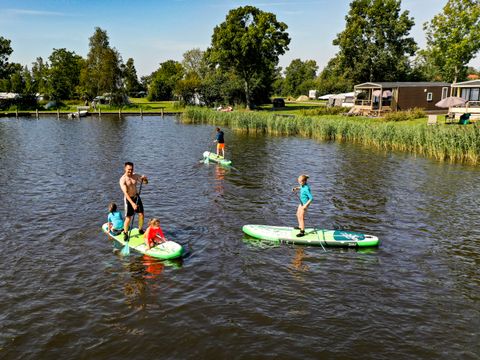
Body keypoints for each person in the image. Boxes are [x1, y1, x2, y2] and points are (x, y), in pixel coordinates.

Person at [119, 162, 148, 241]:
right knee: (128, 218)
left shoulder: (135, 176)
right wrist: (132, 204)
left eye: (131, 169)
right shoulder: (123, 180)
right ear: (125, 169)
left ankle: (140, 229)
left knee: (141, 214)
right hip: (128, 199)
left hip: (136, 197)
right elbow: (125, 193)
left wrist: (144, 179)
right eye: (128, 169)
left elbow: (145, 183)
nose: (130, 171)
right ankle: (125, 233)